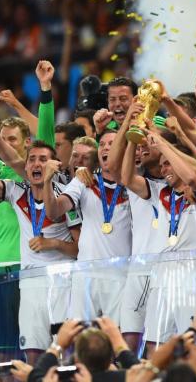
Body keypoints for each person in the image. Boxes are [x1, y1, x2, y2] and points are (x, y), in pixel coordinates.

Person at [0, 128, 80, 363]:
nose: (37, 164)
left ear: (55, 165)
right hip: (29, 285)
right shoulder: (16, 191)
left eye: (43, 159)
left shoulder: (66, 196)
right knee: (33, 354)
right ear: (25, 168)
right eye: (32, 159)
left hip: (61, 283)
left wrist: (53, 243)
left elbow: (79, 249)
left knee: (63, 354)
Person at [121, 132, 196, 348]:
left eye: (168, 163)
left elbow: (193, 178)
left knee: (194, 342)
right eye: (162, 165)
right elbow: (127, 179)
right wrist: (132, 139)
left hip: (192, 273)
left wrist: (162, 145)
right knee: (155, 342)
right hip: (161, 274)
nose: (163, 169)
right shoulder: (158, 192)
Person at [43, 130, 131, 323]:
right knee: (80, 334)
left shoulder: (133, 185)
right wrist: (47, 181)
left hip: (121, 276)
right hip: (85, 275)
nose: (106, 148)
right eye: (102, 144)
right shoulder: (82, 182)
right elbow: (54, 211)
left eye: (112, 144)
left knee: (116, 336)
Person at [27, 317, 140, 382]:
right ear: (109, 360)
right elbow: (144, 374)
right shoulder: (127, 378)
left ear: (76, 359)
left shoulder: (56, 380)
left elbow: (36, 376)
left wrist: (57, 345)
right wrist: (119, 343)